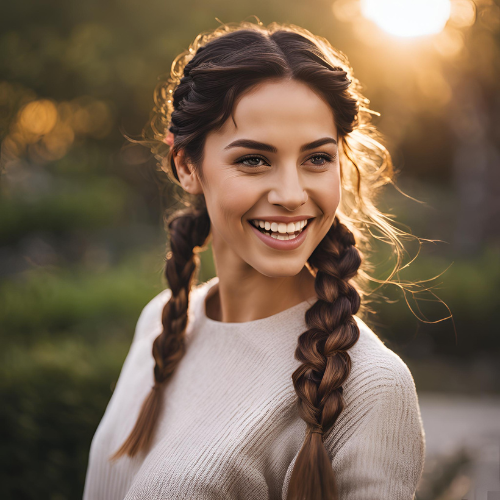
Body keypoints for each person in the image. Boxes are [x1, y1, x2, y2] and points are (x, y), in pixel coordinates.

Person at [83, 19, 426, 500]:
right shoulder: (161, 323)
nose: (291, 195)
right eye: (253, 160)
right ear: (186, 165)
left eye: (317, 159)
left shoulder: (371, 386)